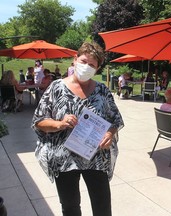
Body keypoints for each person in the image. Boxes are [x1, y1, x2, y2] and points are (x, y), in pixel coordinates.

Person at [32, 41, 124, 216]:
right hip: (64, 159)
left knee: (102, 207)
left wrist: (110, 134)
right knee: (70, 207)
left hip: (96, 157)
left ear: (97, 68)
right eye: (83, 61)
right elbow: (39, 121)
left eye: (92, 65)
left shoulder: (102, 90)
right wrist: (59, 124)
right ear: (75, 60)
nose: (86, 67)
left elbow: (115, 120)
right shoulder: (56, 87)